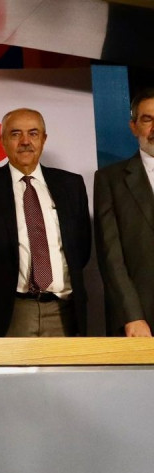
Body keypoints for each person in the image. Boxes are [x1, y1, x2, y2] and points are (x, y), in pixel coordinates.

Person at [0, 108, 91, 337]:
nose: (25, 141)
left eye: (33, 133)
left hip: (64, 312)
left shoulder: (71, 185)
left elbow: (82, 248)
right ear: (2, 140)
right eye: (15, 134)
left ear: (44, 139)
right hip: (6, 312)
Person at [94, 88, 154, 337]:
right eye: (148, 119)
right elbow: (111, 256)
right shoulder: (110, 179)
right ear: (133, 127)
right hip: (142, 320)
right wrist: (132, 315)